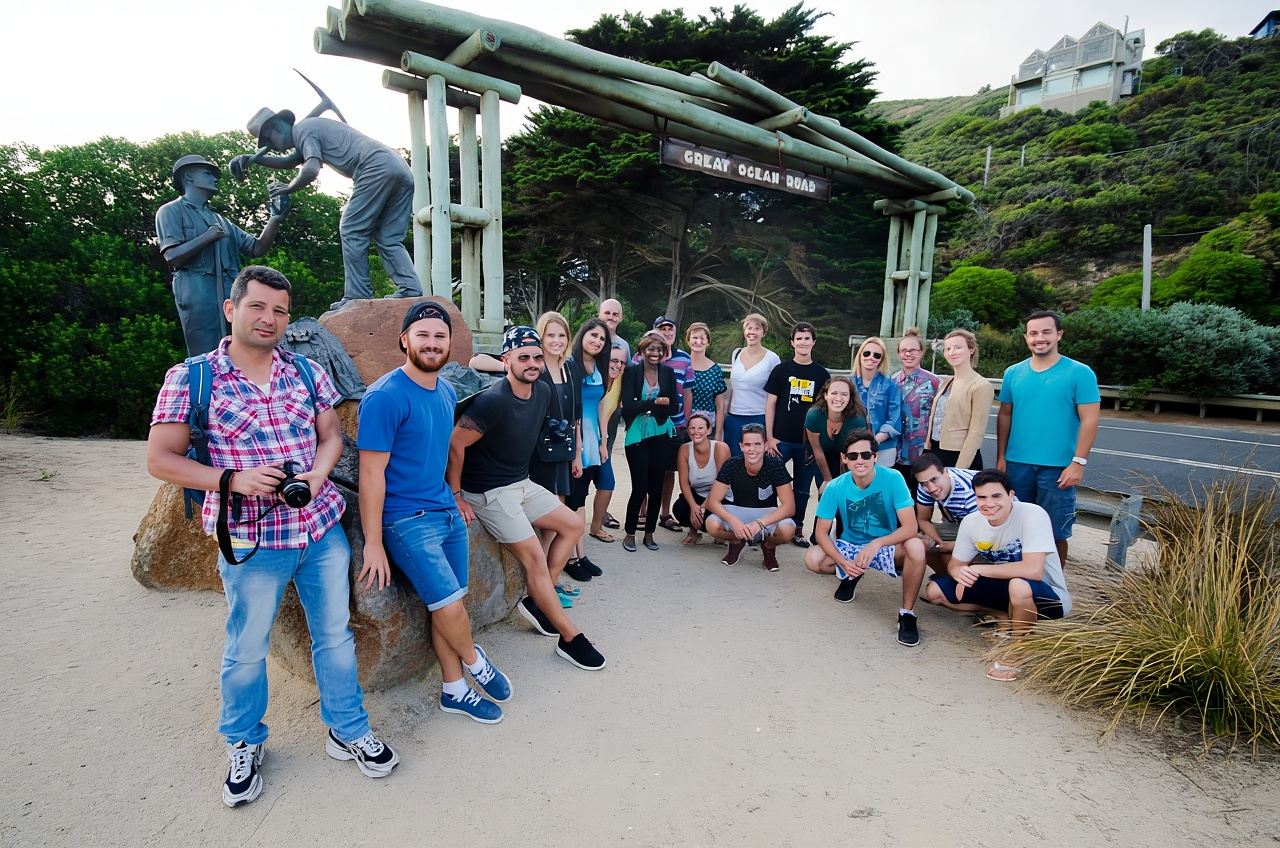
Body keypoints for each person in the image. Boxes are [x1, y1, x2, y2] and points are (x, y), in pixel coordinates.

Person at [146, 265, 398, 808]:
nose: (270, 319)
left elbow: (331, 436)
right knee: (246, 648)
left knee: (335, 635)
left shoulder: (305, 373)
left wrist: (315, 473)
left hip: (319, 527)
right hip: (250, 537)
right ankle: (244, 740)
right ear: (232, 309)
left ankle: (347, 729)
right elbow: (160, 459)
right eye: (258, 307)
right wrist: (231, 480)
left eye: (280, 310)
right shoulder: (191, 378)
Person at [356, 302, 512, 723]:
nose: (431, 343)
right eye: (422, 335)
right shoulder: (384, 397)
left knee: (449, 605)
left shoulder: (445, 390)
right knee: (448, 603)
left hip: (444, 509)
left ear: (449, 344)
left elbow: (439, 452)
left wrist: (456, 495)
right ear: (404, 340)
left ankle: (454, 688)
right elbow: (371, 475)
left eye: (439, 336)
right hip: (407, 520)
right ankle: (474, 660)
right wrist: (373, 543)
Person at [447, 326, 606, 671]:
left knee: (573, 524)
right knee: (534, 557)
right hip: (488, 491)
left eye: (536, 357)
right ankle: (569, 637)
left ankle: (540, 599)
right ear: (506, 361)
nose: (533, 363)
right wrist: (457, 494)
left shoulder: (544, 392)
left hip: (521, 482)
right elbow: (456, 443)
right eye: (524, 357)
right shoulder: (493, 401)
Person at [236, 108, 422, 309]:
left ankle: (357, 295)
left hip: (374, 167)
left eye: (269, 141)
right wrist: (254, 158)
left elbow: (311, 169)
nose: (272, 148)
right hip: (399, 168)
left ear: (275, 128)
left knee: (351, 229)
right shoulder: (308, 130)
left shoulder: (304, 129)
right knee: (389, 237)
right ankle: (410, 287)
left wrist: (287, 188)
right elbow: (290, 162)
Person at [924, 469, 1072, 681]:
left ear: (1011, 495)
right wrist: (960, 574)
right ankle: (1003, 616)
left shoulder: (1032, 514)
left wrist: (978, 569)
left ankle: (1019, 649)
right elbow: (955, 565)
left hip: (1047, 596)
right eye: (981, 497)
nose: (989, 503)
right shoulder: (972, 522)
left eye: (996, 496)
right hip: (1004, 586)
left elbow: (1033, 570)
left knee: (1019, 585)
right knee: (935, 591)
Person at [803, 430, 928, 647]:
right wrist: (842, 562)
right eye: (853, 456)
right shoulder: (835, 486)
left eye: (865, 455)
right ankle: (851, 574)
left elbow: (910, 527)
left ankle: (907, 613)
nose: (859, 460)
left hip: (884, 545)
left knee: (916, 547)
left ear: (875, 457)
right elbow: (820, 533)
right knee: (813, 558)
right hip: (850, 547)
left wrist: (876, 543)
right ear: (844, 458)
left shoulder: (893, 478)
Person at [155, 155, 288, 356]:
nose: (215, 179)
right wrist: (207, 237)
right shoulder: (170, 211)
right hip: (197, 288)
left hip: (232, 291)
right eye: (208, 173)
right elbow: (172, 256)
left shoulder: (221, 220)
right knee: (206, 354)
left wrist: (275, 218)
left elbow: (257, 248)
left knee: (241, 350)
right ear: (189, 177)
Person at [995, 311, 1100, 564]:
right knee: (1014, 529)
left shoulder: (1080, 373)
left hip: (1058, 468)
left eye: (1046, 332)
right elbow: (1005, 415)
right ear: (1026, 337)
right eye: (1033, 333)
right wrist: (1001, 457)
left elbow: (1090, 419)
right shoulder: (1013, 373)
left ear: (1059, 334)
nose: (1039, 338)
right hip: (1017, 464)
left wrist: (1079, 462)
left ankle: (1053, 591)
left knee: (1055, 533)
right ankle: (1016, 584)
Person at [764, 322, 830, 548]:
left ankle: (797, 527)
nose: (803, 342)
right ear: (792, 343)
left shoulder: (821, 374)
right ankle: (768, 525)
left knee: (802, 489)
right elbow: (771, 404)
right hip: (780, 440)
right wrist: (769, 437)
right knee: (770, 482)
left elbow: (825, 410)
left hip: (807, 443)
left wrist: (818, 442)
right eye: (798, 339)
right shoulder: (781, 370)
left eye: (807, 338)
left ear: (813, 342)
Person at [704, 423, 797, 571]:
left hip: (765, 514)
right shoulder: (732, 465)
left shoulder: (775, 465)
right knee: (711, 524)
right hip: (736, 512)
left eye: (757, 444)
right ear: (741, 446)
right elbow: (712, 502)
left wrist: (760, 523)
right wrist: (734, 522)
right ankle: (736, 540)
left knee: (788, 528)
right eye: (747, 445)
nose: (752, 449)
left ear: (765, 445)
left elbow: (789, 506)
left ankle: (768, 546)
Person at [563, 317, 613, 585]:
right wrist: (577, 448)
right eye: (593, 335)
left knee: (581, 498)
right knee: (573, 501)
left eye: (602, 338)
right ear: (582, 335)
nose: (596, 341)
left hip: (593, 441)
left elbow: (601, 407)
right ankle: (570, 558)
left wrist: (604, 442)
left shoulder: (601, 368)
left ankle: (581, 554)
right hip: (576, 440)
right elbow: (572, 411)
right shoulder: (570, 366)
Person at [619, 331, 679, 552]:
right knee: (640, 486)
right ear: (642, 350)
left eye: (659, 349)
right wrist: (655, 402)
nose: (655, 353)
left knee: (656, 486)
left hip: (662, 432)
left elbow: (674, 407)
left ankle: (650, 534)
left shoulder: (668, 373)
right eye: (651, 349)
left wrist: (646, 404)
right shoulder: (632, 372)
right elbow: (628, 405)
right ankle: (630, 533)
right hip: (637, 434)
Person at [643, 315, 694, 532]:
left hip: (676, 424)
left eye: (670, 328)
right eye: (662, 328)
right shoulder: (642, 356)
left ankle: (664, 513)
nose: (667, 332)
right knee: (643, 469)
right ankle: (642, 512)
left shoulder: (684, 359)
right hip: (647, 424)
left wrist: (687, 422)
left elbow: (689, 392)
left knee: (667, 471)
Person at [527, 311, 582, 503]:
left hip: (562, 449)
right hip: (537, 451)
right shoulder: (532, 367)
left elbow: (577, 415)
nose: (556, 341)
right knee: (543, 508)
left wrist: (577, 455)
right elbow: (477, 360)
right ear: (540, 337)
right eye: (550, 335)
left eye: (561, 335)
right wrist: (510, 367)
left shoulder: (571, 368)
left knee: (560, 504)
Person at [925, 329, 993, 471]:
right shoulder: (946, 382)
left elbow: (976, 433)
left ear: (971, 350)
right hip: (936, 451)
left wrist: (959, 470)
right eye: (948, 349)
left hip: (959, 456)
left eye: (958, 347)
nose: (952, 352)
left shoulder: (981, 385)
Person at [910, 452, 981, 574]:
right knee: (918, 542)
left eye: (934, 479)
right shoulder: (924, 487)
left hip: (996, 531)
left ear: (945, 472)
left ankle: (956, 581)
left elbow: (986, 535)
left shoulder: (969, 492)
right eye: (924, 483)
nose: (931, 488)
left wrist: (948, 546)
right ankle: (946, 580)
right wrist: (939, 543)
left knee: (954, 554)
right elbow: (923, 519)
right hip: (962, 526)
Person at [722, 313, 781, 455]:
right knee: (732, 463)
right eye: (748, 328)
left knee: (754, 461)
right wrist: (724, 415)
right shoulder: (736, 353)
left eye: (756, 328)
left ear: (763, 332)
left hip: (758, 418)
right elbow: (732, 387)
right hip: (734, 419)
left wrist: (771, 432)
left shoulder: (772, 359)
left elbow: (776, 394)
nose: (752, 332)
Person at [891, 328, 940, 497]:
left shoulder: (934, 382)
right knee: (898, 499)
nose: (908, 354)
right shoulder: (892, 381)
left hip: (922, 453)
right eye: (904, 350)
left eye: (913, 350)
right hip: (896, 453)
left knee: (921, 500)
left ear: (921, 352)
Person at [587, 342, 628, 542]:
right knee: (579, 490)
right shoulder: (594, 381)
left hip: (604, 448)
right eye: (613, 360)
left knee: (607, 483)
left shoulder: (621, 385)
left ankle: (595, 527)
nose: (618, 365)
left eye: (621, 362)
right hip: (587, 444)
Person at [804, 376, 869, 497]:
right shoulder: (814, 415)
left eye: (844, 394)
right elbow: (817, 451)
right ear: (826, 395)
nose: (839, 398)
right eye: (834, 393)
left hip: (847, 459)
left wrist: (847, 483)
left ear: (850, 398)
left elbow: (854, 455)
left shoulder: (857, 421)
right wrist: (828, 480)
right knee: (826, 495)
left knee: (846, 496)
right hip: (821, 458)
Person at [675, 411, 730, 545]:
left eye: (700, 428)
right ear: (688, 430)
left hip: (721, 496)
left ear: (709, 429)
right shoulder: (684, 449)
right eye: (692, 428)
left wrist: (703, 507)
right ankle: (694, 530)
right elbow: (684, 483)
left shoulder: (720, 448)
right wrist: (694, 507)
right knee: (679, 508)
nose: (696, 432)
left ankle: (720, 532)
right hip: (699, 495)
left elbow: (721, 483)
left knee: (711, 513)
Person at [851, 337, 904, 468]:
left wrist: (874, 441)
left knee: (881, 486)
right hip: (852, 446)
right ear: (860, 355)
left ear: (882, 359)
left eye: (877, 355)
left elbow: (894, 418)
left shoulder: (891, 385)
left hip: (883, 448)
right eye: (867, 353)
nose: (871, 357)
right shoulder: (848, 383)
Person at [685, 322, 727, 431]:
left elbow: (720, 406)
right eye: (695, 337)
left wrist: (718, 434)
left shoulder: (715, 370)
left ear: (708, 342)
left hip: (707, 427)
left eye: (702, 338)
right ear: (688, 341)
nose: (698, 341)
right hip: (682, 424)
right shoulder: (682, 365)